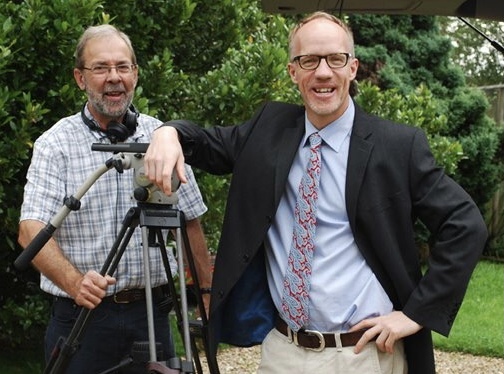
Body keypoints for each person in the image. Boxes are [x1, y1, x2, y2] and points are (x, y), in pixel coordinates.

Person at [143, 11, 488, 374]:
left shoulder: (397, 146)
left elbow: (464, 225)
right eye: (309, 60)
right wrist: (168, 133)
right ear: (294, 72)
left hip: (364, 355)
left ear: (352, 68)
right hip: (283, 352)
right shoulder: (268, 130)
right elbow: (206, 142)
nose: (323, 72)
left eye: (335, 59)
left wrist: (415, 314)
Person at [17, 24, 212, 373]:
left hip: (151, 314)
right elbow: (30, 231)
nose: (114, 77)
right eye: (101, 68)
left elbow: (190, 222)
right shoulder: (55, 144)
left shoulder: (162, 137)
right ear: (80, 78)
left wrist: (208, 296)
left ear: (135, 74)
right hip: (82, 318)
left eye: (123, 67)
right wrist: (76, 283)